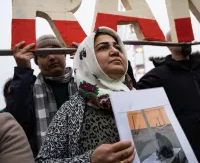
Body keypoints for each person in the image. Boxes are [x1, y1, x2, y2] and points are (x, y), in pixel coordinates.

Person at [35, 27, 135, 163]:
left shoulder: (140, 99)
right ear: (88, 58)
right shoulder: (71, 110)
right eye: (103, 48)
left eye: (118, 47)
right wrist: (89, 160)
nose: (115, 51)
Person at [6, 35, 77, 157]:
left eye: (56, 51)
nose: (51, 57)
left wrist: (87, 62)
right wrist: (23, 71)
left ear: (65, 55)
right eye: (43, 55)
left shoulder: (83, 84)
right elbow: (18, 121)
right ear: (37, 62)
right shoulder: (29, 89)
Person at [137, 31, 200, 160]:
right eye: (178, 35)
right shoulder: (157, 76)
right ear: (168, 44)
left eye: (186, 34)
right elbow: (131, 95)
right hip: (191, 152)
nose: (184, 39)